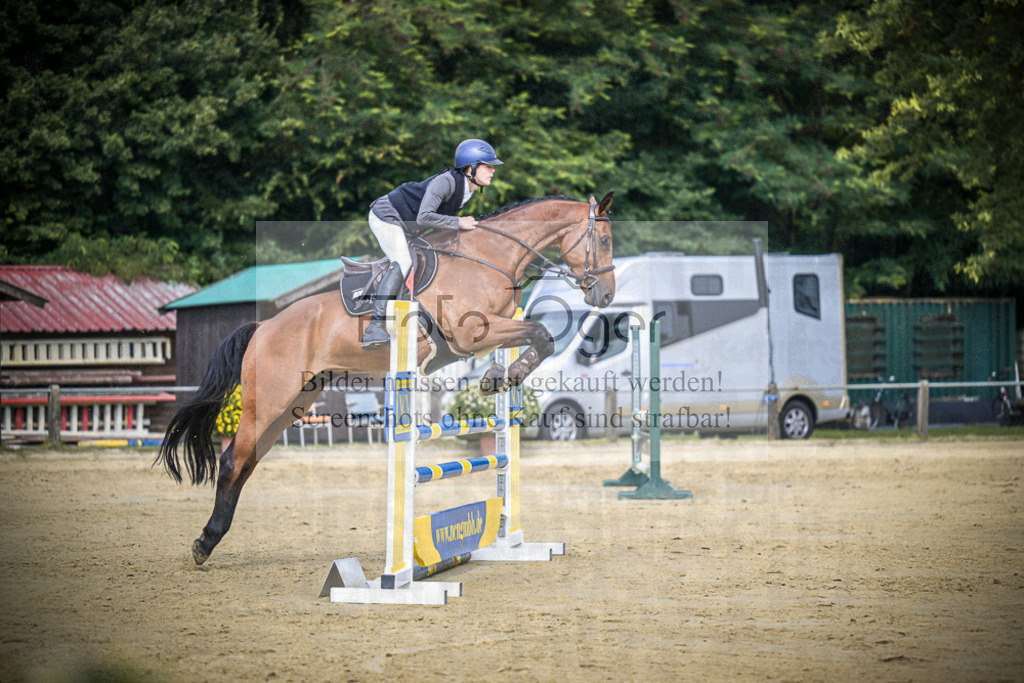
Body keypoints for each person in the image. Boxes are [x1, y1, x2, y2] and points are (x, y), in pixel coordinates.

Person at [361, 138, 503, 348]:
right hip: (387, 215)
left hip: (409, 226)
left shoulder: (467, 190)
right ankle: (374, 326)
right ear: (470, 168)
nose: (492, 171)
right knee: (404, 262)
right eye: (488, 166)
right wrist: (458, 222)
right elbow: (424, 217)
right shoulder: (446, 181)